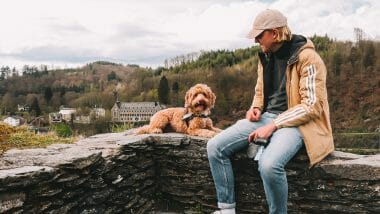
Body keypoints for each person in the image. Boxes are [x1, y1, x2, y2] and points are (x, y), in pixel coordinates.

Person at [207, 9, 334, 214]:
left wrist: (274, 126)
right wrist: (255, 108)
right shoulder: (266, 55)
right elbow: (260, 90)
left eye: (259, 36)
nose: (256, 40)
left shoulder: (309, 58)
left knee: (269, 165)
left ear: (274, 33)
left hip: (297, 123)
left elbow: (312, 106)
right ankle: (227, 209)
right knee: (215, 147)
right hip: (266, 118)